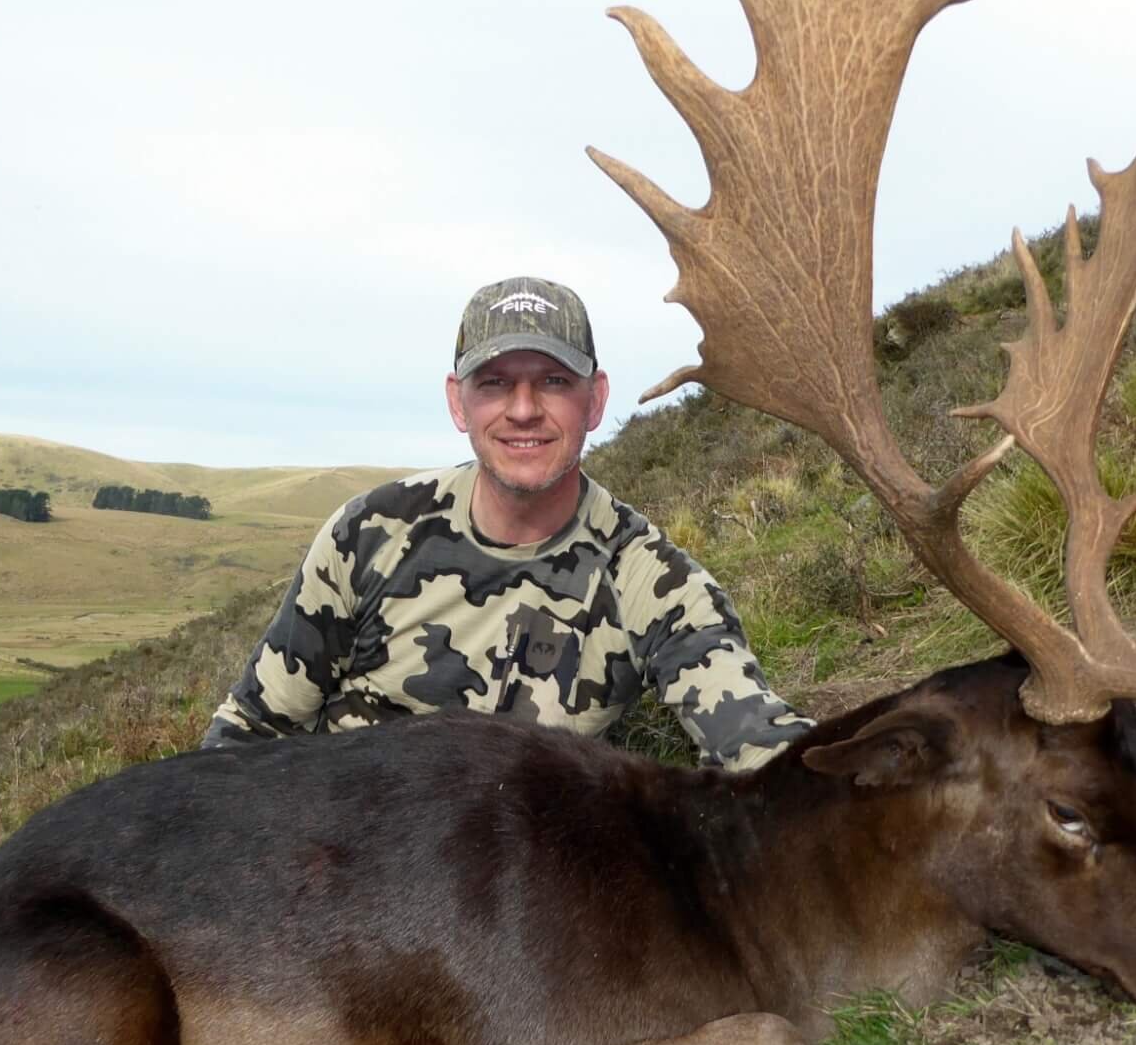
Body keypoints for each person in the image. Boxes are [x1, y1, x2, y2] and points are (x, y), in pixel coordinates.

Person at [200, 275, 810, 769]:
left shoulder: (650, 581)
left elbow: (759, 746)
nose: (523, 410)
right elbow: (249, 734)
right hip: (333, 862)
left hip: (509, 886)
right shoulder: (370, 535)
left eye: (552, 381)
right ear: (456, 400)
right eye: (494, 383)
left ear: (594, 400)